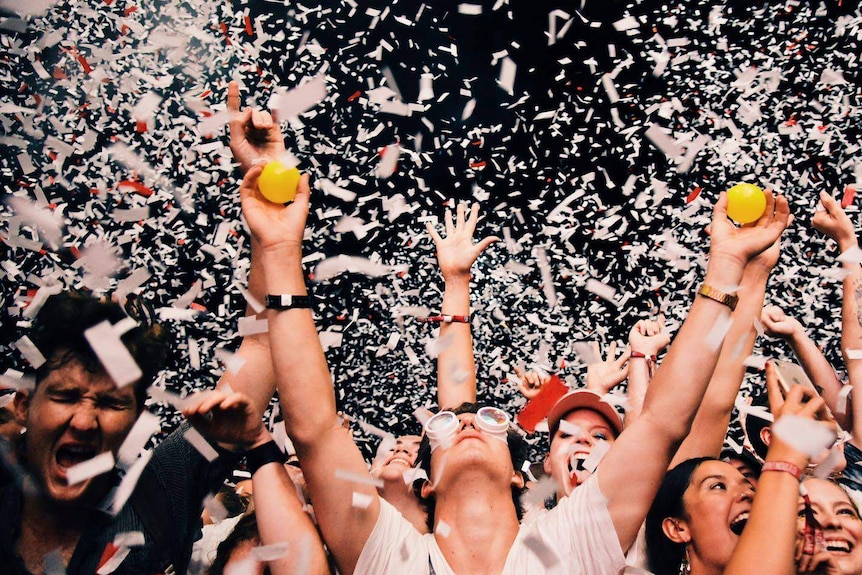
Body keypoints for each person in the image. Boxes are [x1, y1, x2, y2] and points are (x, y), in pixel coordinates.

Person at [244, 141, 790, 574]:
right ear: (424, 484)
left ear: (519, 477)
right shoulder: (391, 556)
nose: (463, 427)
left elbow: (667, 421)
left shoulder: (571, 545)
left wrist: (724, 268)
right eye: (447, 427)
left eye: (485, 421)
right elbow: (313, 428)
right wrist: (279, 252)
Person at [0, 291, 270, 575]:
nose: (83, 422)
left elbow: (260, 345)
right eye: (66, 397)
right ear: (24, 405)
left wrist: (278, 252)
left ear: (135, 419)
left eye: (110, 403)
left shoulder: (158, 497)